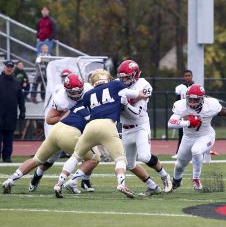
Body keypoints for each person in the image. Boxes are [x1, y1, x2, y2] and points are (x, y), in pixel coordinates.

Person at [53, 70, 146, 198]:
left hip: (90, 126)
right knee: (120, 158)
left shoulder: (87, 94)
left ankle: (59, 183)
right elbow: (137, 95)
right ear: (107, 78)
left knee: (75, 156)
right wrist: (143, 94)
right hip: (108, 125)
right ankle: (121, 183)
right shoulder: (115, 85)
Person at [2, 74, 100, 194]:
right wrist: (65, 115)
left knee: (36, 160)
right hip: (69, 132)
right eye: (72, 92)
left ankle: (10, 181)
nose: (76, 95)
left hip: (57, 132)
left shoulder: (89, 89)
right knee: (94, 157)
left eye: (78, 91)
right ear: (66, 89)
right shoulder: (61, 99)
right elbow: (49, 120)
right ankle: (70, 182)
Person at [167, 84, 226, 191]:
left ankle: (196, 178)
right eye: (190, 99)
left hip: (206, 135)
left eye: (196, 100)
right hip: (188, 137)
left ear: (203, 99)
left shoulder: (211, 105)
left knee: (196, 151)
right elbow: (170, 124)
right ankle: (176, 181)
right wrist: (188, 122)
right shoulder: (181, 105)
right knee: (180, 163)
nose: (192, 103)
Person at [117, 60, 172, 195]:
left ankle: (165, 177)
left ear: (135, 75)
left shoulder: (143, 85)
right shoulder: (118, 85)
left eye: (127, 77)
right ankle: (153, 187)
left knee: (144, 156)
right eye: (122, 77)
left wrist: (125, 104)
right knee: (129, 164)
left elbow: (137, 114)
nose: (124, 80)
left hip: (140, 125)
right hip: (125, 128)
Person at [0, 60, 26, 163]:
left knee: (9, 139)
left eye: (11, 67)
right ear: (4, 67)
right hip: (0, 115)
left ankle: (7, 157)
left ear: (13, 68)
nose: (9, 68)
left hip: (11, 115)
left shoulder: (16, 82)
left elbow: (21, 99)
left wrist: (22, 112)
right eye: (7, 66)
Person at [172, 70, 194, 159]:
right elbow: (177, 101)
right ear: (184, 77)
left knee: (193, 133)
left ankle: (193, 153)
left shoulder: (195, 87)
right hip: (183, 112)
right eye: (186, 76)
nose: (187, 77)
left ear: (192, 76)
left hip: (193, 112)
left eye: (189, 75)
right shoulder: (180, 88)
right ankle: (179, 152)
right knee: (181, 133)